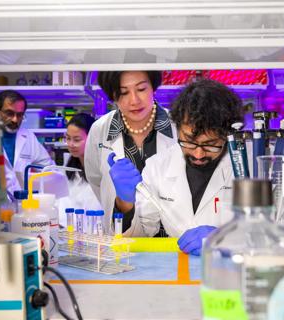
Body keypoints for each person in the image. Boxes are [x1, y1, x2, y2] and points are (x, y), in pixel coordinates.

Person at [108, 78, 243, 256]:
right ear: (178, 128)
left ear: (228, 135)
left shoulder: (251, 166)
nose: (198, 154)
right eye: (189, 142)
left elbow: (282, 232)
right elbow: (139, 236)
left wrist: (226, 240)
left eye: (211, 145)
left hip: (234, 271)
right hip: (179, 272)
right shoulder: (158, 166)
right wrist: (124, 202)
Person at [84, 71, 177, 233]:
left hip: (172, 242)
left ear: (153, 87)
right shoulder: (99, 130)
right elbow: (96, 181)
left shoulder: (178, 126)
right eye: (123, 92)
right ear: (113, 95)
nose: (134, 100)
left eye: (141, 89)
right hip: (122, 240)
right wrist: (122, 202)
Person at [58, 113, 101, 225]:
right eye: (68, 138)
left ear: (93, 138)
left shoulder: (102, 170)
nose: (71, 144)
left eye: (77, 139)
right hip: (72, 232)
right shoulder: (69, 170)